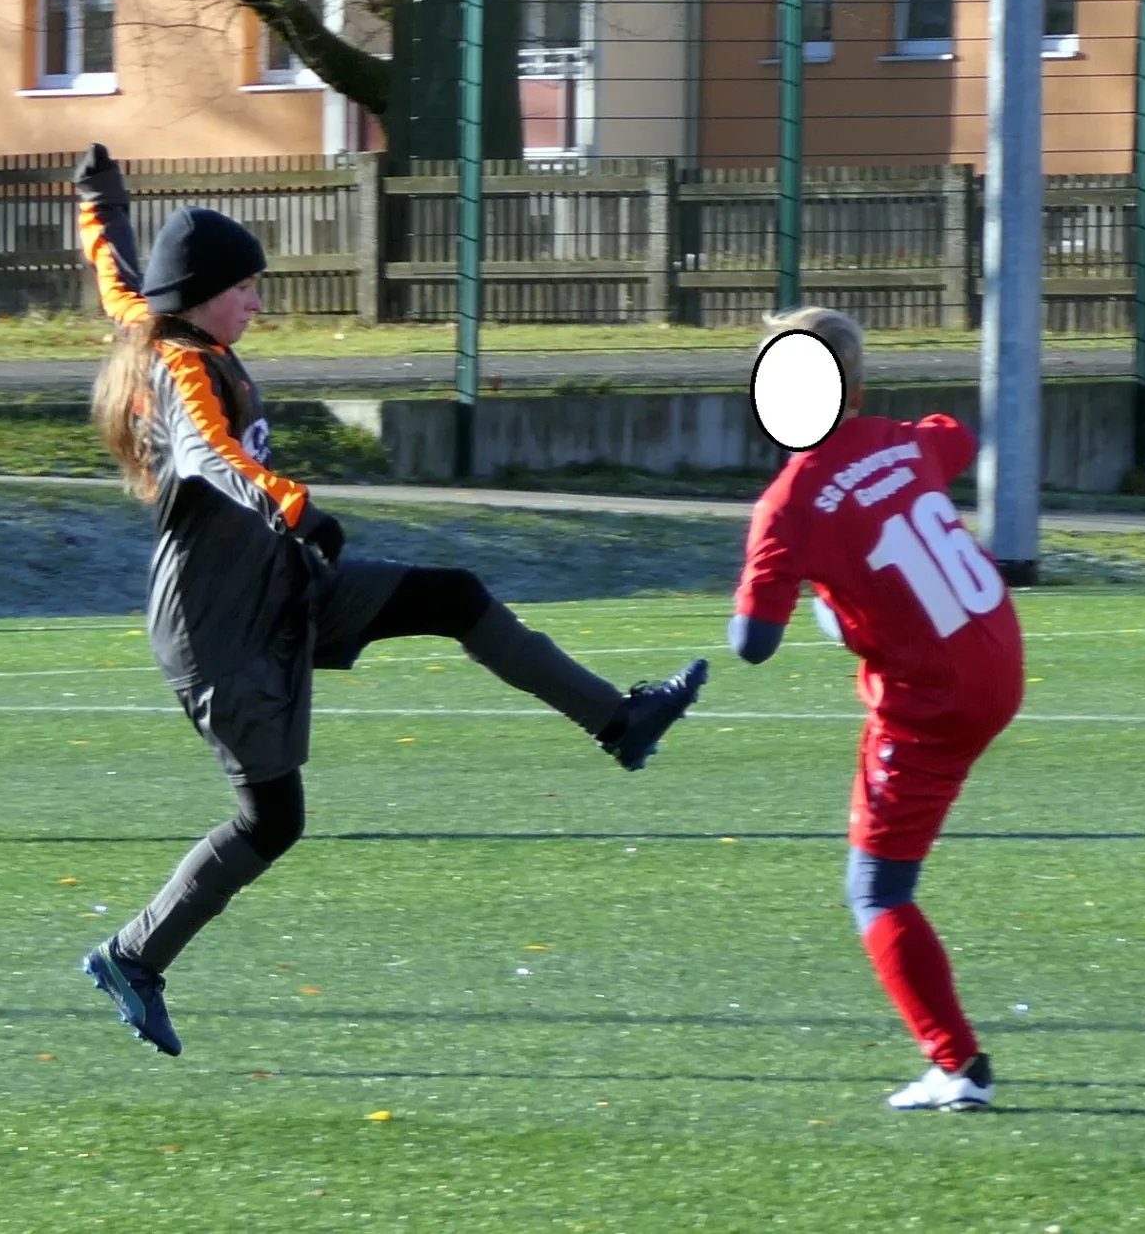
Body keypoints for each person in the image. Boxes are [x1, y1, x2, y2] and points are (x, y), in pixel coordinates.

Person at [69, 143, 708, 1057]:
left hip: (280, 583)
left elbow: (115, 272)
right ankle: (134, 956)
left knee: (453, 596)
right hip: (217, 628)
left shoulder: (163, 325)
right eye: (246, 287)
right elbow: (213, 454)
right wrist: (296, 507)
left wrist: (100, 195)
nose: (258, 303)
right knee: (273, 821)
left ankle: (620, 722)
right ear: (203, 295)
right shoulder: (179, 368)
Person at [729, 306, 1024, 1111]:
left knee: (877, 889)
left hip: (934, 697)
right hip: (998, 651)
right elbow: (955, 436)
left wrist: (812, 591)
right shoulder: (902, 439)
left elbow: (751, 643)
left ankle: (957, 1068)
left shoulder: (786, 505)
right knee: (886, 878)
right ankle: (954, 1065)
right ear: (856, 389)